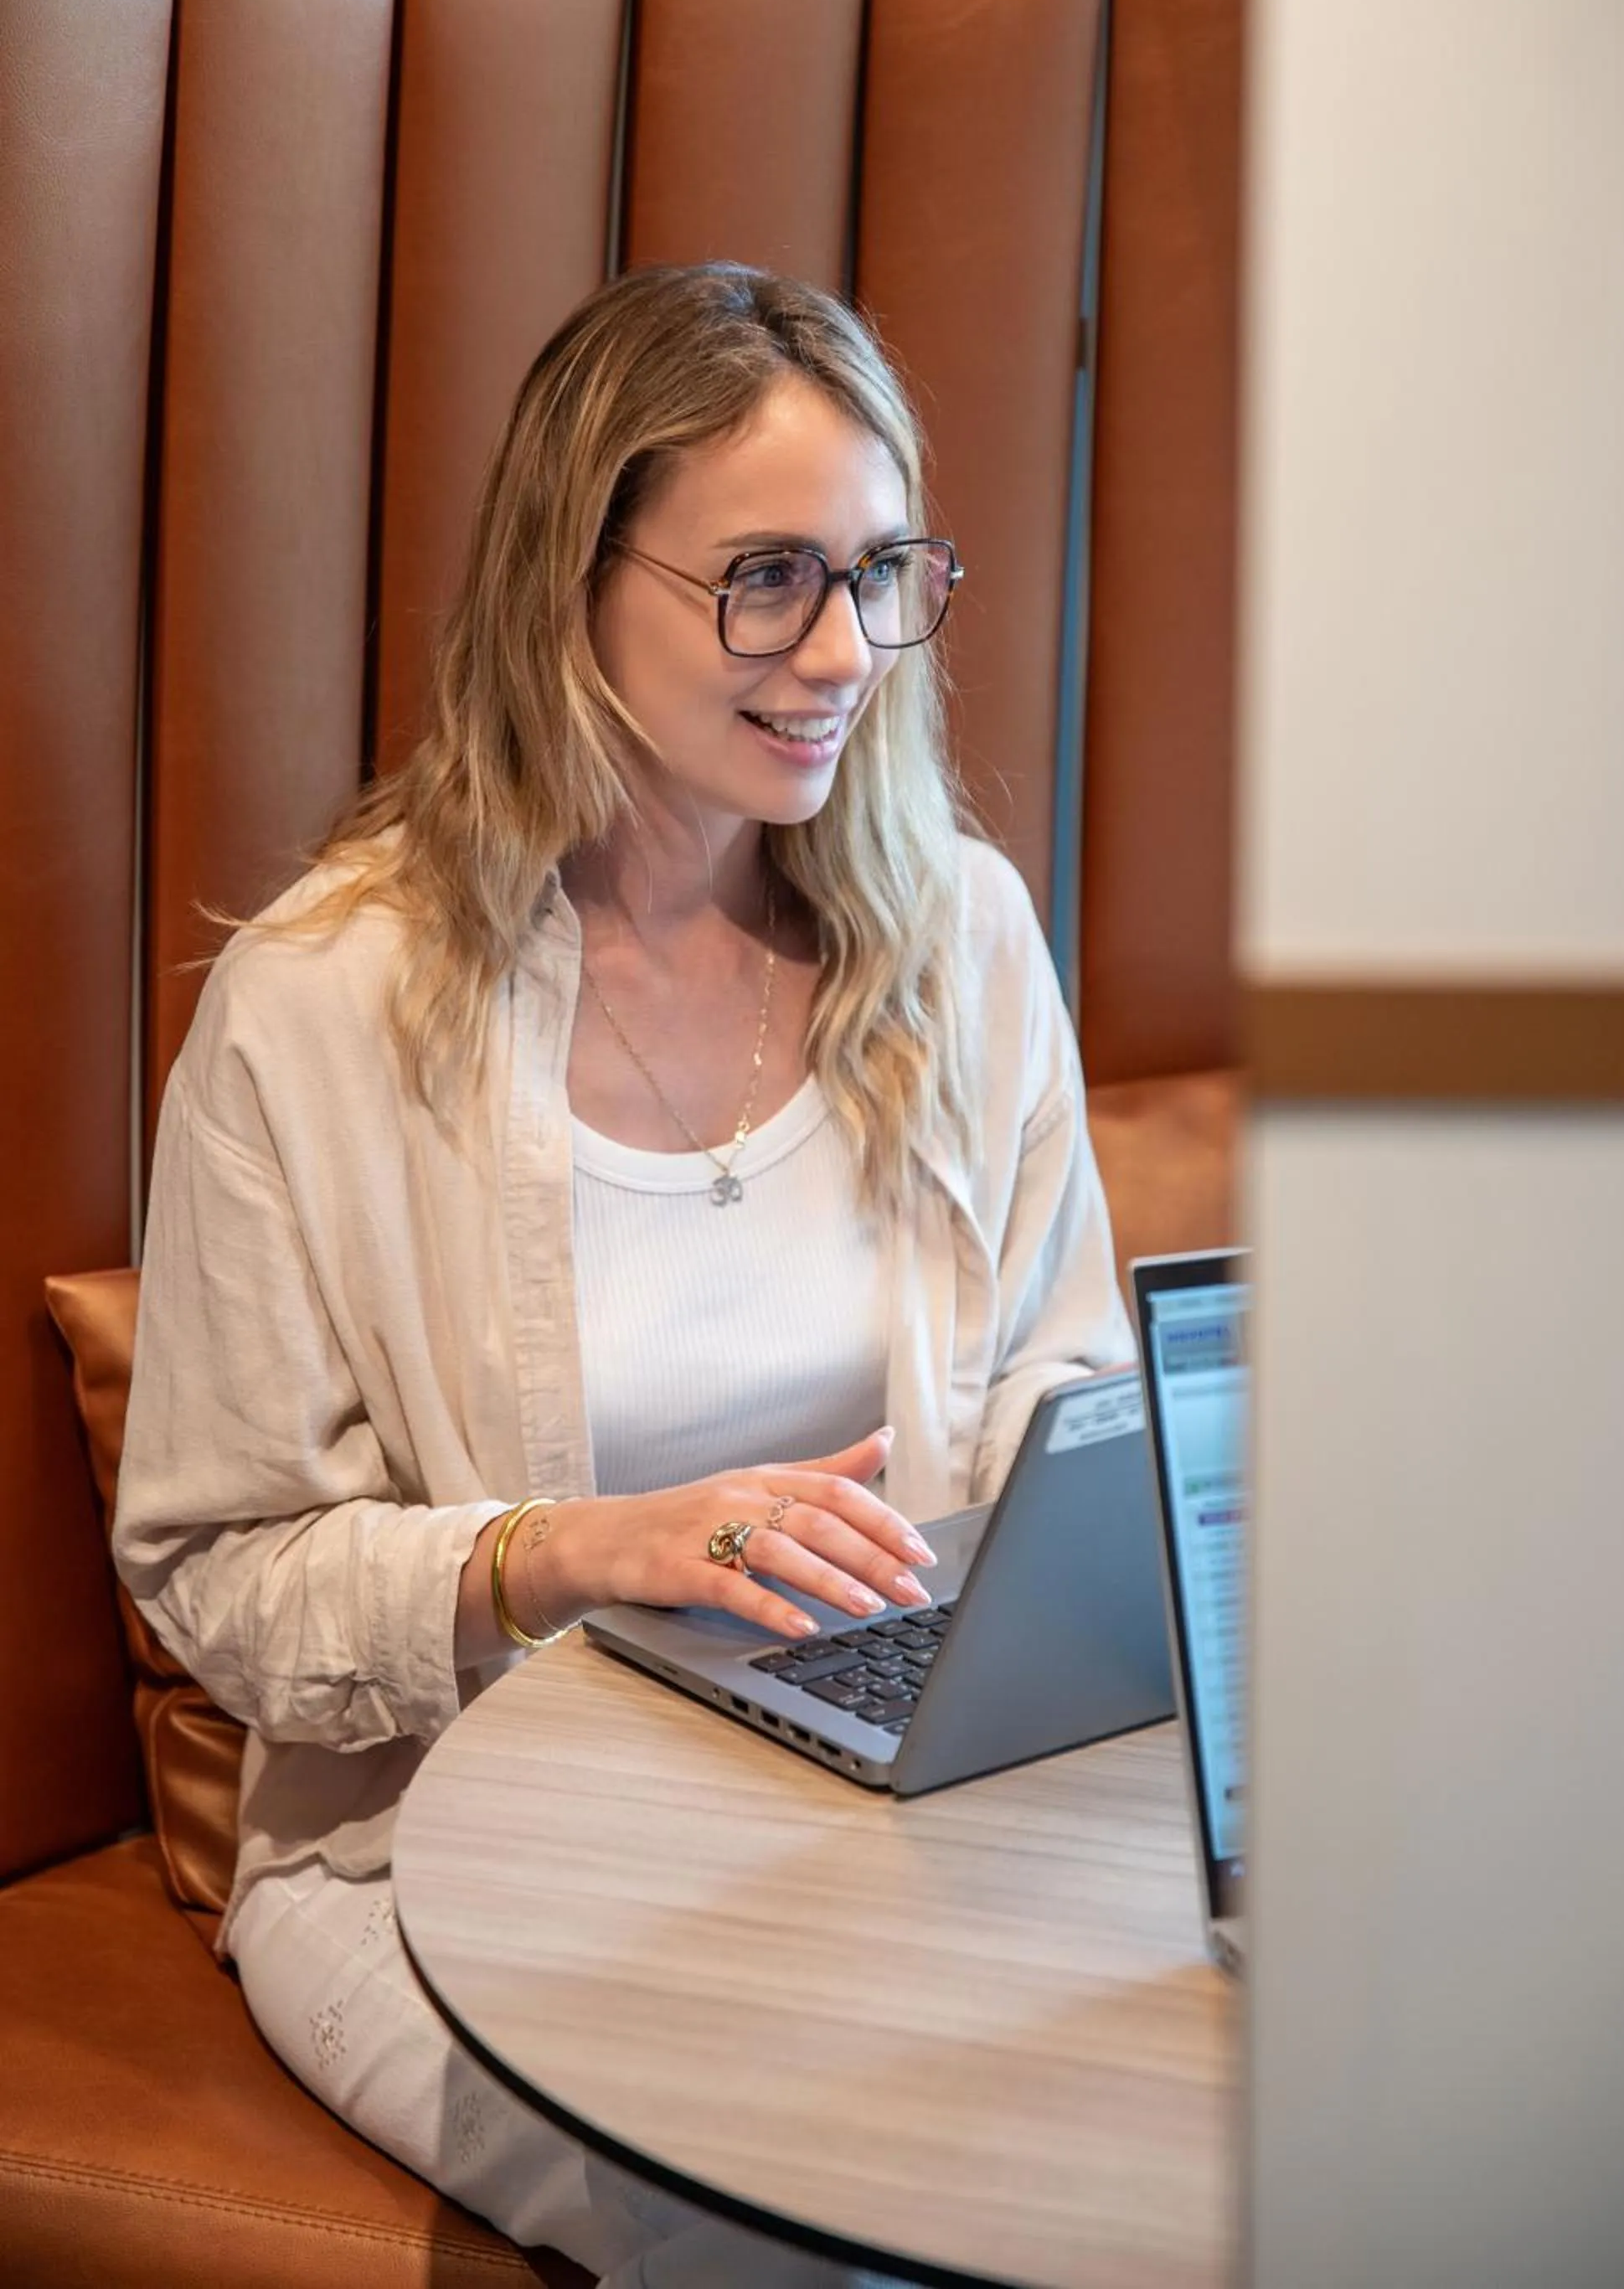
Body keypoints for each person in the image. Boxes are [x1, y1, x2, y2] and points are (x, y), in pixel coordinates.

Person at [113, 262, 1132, 2286]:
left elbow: (1058, 1385)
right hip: (439, 1857)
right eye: (766, 579)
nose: (841, 651)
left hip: (883, 1810)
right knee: (803, 2243)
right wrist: (571, 1553)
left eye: (880, 574)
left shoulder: (961, 936)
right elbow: (219, 1576)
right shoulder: (320, 1003)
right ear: (567, 584)